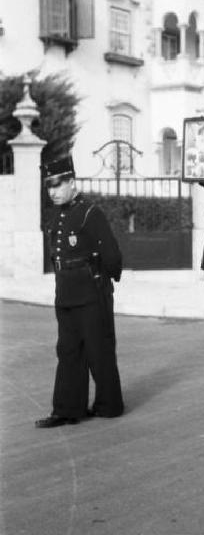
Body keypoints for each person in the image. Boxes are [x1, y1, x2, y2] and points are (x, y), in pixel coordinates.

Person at [35, 156, 124, 428]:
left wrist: (104, 284)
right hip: (66, 293)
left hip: (90, 290)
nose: (53, 191)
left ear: (72, 182)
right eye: (49, 186)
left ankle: (109, 405)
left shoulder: (89, 212)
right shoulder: (58, 216)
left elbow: (111, 254)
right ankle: (67, 409)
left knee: (99, 348)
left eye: (58, 185)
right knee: (68, 350)